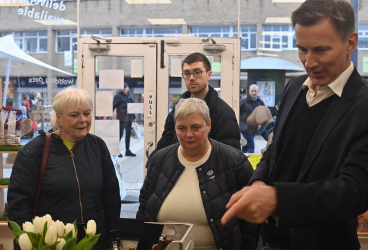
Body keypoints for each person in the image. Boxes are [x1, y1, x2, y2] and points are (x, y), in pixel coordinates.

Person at [222, 1, 368, 249]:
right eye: (302, 49)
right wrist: (259, 182)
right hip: (271, 240)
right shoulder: (294, 87)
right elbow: (275, 149)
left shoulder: (367, 106)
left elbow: (354, 192)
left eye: (321, 50)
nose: (308, 62)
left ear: (351, 43)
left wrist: (278, 199)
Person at [8, 86, 121, 250]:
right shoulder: (34, 151)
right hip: (52, 244)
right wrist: (30, 243)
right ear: (59, 118)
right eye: (74, 115)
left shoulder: (97, 147)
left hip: (94, 243)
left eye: (87, 113)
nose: (83, 120)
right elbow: (19, 204)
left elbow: (111, 197)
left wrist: (113, 237)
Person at [137, 98, 257, 250]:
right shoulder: (159, 160)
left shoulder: (234, 163)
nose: (188, 134)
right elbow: (143, 211)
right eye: (181, 128)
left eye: (195, 127)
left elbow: (250, 223)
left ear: (208, 125)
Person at [154, 52, 241, 153]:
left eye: (197, 72)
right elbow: (165, 144)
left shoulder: (224, 113)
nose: (191, 78)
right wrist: (153, 164)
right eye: (187, 73)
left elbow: (231, 157)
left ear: (209, 75)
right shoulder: (178, 109)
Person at [113, 82, 136, 157]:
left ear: (128, 88)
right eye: (122, 87)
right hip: (121, 118)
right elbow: (113, 106)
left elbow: (132, 106)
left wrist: (134, 117)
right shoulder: (118, 96)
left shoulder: (130, 95)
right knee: (120, 134)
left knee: (128, 134)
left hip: (129, 118)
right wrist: (109, 115)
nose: (124, 88)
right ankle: (116, 151)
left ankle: (127, 151)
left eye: (125, 87)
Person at [239, 84, 264, 153]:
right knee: (251, 145)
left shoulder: (260, 102)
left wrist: (260, 123)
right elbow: (237, 110)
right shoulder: (243, 101)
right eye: (252, 91)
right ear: (249, 91)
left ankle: (240, 160)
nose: (253, 93)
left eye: (255, 91)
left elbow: (262, 114)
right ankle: (250, 161)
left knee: (245, 145)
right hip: (245, 127)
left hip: (253, 128)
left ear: (258, 92)